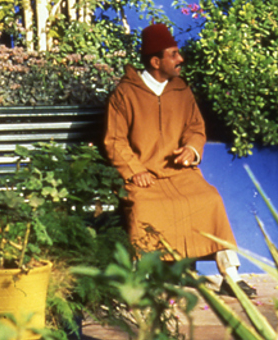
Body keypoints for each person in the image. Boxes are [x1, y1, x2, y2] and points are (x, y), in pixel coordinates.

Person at [103, 22, 256, 297]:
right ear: (155, 61)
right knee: (144, 208)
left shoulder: (181, 90)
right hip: (144, 178)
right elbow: (115, 140)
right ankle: (142, 279)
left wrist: (191, 149)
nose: (180, 59)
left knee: (210, 200)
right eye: (173, 54)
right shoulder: (125, 94)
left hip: (180, 174)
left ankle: (231, 277)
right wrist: (135, 170)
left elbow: (195, 127)